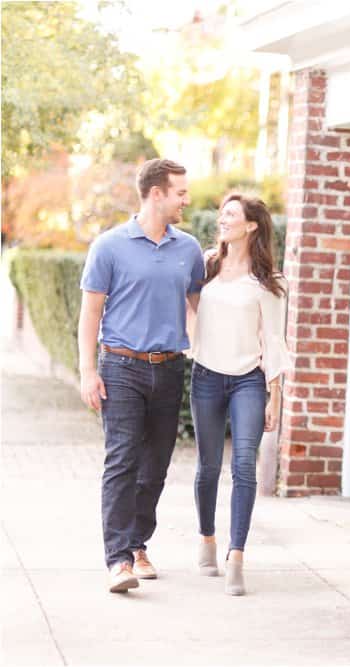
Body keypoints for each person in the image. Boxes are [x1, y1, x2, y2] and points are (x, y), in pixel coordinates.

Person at [79, 158, 205, 593]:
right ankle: (118, 559)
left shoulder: (187, 248)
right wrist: (88, 371)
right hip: (121, 367)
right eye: (181, 192)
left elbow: (199, 309)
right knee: (122, 461)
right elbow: (90, 313)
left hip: (169, 368)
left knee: (154, 466)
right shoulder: (109, 246)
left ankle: (137, 545)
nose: (186, 200)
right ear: (157, 194)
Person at [188, 192, 291, 595]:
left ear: (251, 225)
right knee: (208, 467)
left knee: (243, 465)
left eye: (232, 214)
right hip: (206, 377)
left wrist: (274, 397)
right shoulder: (207, 265)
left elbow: (275, 340)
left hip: (249, 380)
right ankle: (207, 539)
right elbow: (187, 305)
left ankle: (236, 556)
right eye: (222, 214)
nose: (223, 219)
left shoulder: (269, 282)